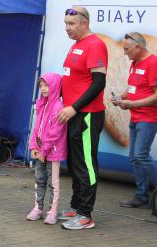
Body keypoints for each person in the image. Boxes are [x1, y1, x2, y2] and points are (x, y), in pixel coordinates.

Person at [57, 6, 108, 230]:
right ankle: (76, 207)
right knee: (75, 163)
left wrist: (75, 107)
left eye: (72, 24)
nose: (67, 28)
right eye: (66, 23)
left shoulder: (95, 44)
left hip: (87, 115)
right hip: (73, 114)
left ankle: (86, 215)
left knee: (86, 165)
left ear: (84, 23)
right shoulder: (76, 45)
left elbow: (99, 83)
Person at [112, 32, 157, 209]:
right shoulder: (135, 62)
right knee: (134, 158)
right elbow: (133, 87)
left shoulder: (153, 63)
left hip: (148, 119)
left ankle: (144, 194)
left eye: (127, 49)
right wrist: (120, 98)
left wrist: (132, 104)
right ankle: (141, 196)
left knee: (140, 156)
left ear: (138, 47)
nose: (125, 53)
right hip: (136, 117)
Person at [26, 73, 67, 225]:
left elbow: (55, 132)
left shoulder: (58, 107)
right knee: (39, 179)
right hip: (40, 152)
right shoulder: (41, 105)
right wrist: (33, 147)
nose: (43, 89)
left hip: (52, 153)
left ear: (55, 87)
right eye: (41, 85)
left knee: (53, 182)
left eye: (47, 85)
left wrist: (44, 151)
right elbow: (36, 128)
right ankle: (38, 208)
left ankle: (52, 211)